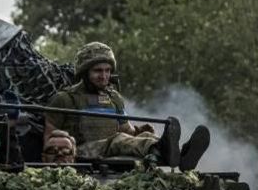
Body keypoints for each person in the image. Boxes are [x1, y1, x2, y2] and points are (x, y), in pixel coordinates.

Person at [44, 42, 209, 171]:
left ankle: (180, 156)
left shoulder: (113, 97)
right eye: (98, 71)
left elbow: (127, 132)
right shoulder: (64, 99)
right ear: (84, 72)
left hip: (111, 149)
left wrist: (140, 132)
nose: (104, 76)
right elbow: (49, 142)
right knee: (118, 140)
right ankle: (162, 149)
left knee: (144, 136)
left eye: (107, 71)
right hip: (79, 152)